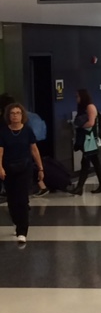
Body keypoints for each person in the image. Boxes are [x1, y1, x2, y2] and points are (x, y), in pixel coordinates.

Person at [0, 102, 45, 244]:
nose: (15, 116)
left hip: (24, 168)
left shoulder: (27, 131)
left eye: (18, 113)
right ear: (8, 116)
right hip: (8, 169)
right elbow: (0, 152)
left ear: (22, 115)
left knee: (22, 199)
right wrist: (0, 167)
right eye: (12, 113)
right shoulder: (3, 132)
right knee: (12, 200)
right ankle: (16, 221)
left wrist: (40, 168)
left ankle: (22, 230)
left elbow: (34, 150)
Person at [70, 89, 101, 195]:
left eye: (77, 96)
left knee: (88, 163)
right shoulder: (83, 107)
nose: (76, 99)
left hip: (90, 140)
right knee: (93, 163)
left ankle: (80, 188)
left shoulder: (90, 107)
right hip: (88, 140)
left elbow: (91, 123)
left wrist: (79, 126)